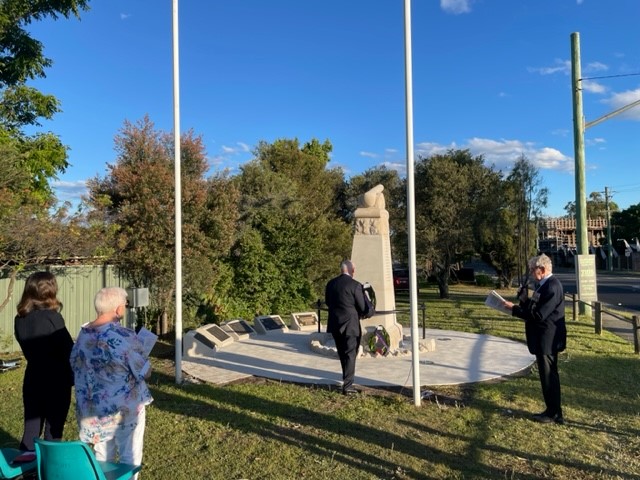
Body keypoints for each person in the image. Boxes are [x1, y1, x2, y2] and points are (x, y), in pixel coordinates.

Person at [70, 287, 153, 478]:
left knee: (102, 457)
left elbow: (74, 363)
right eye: (125, 304)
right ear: (117, 309)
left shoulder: (83, 334)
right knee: (129, 455)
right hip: (124, 408)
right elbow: (145, 371)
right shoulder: (123, 336)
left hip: (93, 407)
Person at [13, 271, 74, 459]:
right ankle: (49, 471)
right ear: (49, 290)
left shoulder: (19, 319)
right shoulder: (52, 317)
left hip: (33, 377)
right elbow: (68, 350)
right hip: (56, 380)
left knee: (30, 429)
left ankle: (26, 470)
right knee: (53, 431)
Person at [503, 253, 567, 425]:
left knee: (549, 377)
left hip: (548, 338)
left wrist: (514, 309)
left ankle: (553, 413)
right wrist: (524, 300)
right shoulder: (543, 285)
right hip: (543, 338)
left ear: (542, 269)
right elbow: (534, 308)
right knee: (547, 376)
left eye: (533, 270)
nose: (531, 273)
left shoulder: (552, 287)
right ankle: (553, 410)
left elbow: (539, 315)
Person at [325, 260, 368, 395]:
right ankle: (348, 386)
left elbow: (328, 302)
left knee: (342, 353)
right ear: (352, 270)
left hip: (335, 323)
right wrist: (368, 311)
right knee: (350, 354)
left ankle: (346, 380)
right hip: (350, 325)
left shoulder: (331, 284)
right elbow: (362, 307)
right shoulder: (355, 285)